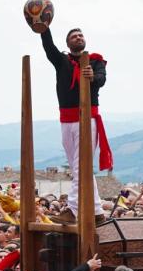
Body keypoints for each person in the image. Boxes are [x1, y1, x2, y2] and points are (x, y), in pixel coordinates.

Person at [38, 25, 111, 221]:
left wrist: (92, 77)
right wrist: (43, 26)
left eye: (81, 35)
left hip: (86, 119)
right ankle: (96, 211)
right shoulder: (62, 61)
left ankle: (72, 210)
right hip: (66, 119)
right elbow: (48, 46)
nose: (78, 38)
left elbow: (102, 79)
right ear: (68, 42)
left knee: (81, 166)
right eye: (74, 36)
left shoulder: (95, 61)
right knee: (79, 167)